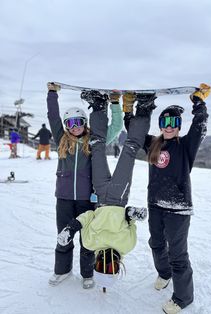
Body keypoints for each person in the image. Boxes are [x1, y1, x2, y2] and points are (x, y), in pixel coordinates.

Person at [57, 91, 157, 290]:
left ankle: (98, 106)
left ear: (96, 264)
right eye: (110, 267)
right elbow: (129, 220)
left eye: (102, 266)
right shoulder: (127, 245)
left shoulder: (91, 243)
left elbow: (87, 217)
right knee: (129, 149)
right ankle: (144, 109)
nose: (107, 262)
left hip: (100, 194)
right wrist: (133, 213)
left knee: (97, 145)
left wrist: (70, 228)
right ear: (118, 267)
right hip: (119, 198)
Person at [142, 83, 211, 314]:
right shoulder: (153, 143)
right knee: (156, 243)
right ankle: (164, 273)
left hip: (178, 208)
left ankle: (183, 298)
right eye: (165, 122)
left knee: (177, 254)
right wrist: (142, 106)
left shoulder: (185, 146)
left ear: (178, 126)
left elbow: (200, 127)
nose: (169, 127)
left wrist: (199, 104)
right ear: (160, 125)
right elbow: (133, 129)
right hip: (155, 204)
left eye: (173, 123)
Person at [46, 83, 123, 289]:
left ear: (84, 122)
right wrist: (52, 94)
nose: (75, 126)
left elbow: (116, 127)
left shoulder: (95, 141)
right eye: (70, 123)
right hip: (63, 198)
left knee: (87, 239)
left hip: (87, 199)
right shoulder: (61, 139)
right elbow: (52, 116)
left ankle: (87, 274)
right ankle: (62, 270)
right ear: (66, 125)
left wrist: (115, 105)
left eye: (78, 121)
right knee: (63, 234)